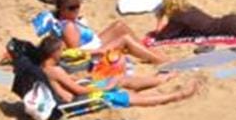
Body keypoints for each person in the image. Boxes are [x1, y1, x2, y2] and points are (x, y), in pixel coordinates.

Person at [33, 36, 203, 109]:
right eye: (61, 50)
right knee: (127, 96)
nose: (63, 53)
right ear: (53, 53)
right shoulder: (53, 70)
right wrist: (106, 88)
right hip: (81, 100)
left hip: (81, 90)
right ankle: (176, 95)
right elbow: (77, 92)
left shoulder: (46, 67)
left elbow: (68, 85)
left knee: (120, 78)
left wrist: (94, 80)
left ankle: (158, 80)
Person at [45, 0, 164, 65]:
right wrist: (100, 51)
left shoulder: (68, 20)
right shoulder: (68, 27)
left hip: (94, 43)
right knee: (125, 39)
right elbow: (76, 53)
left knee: (119, 26)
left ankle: (146, 52)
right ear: (62, 10)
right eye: (71, 8)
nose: (76, 10)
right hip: (92, 53)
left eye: (77, 6)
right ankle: (159, 60)